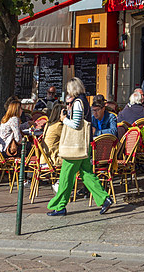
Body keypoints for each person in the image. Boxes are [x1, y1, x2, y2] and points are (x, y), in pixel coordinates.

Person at [47, 78, 111, 217]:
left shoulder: (77, 103)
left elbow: (76, 124)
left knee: (66, 176)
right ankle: (104, 198)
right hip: (83, 144)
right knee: (87, 174)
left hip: (74, 146)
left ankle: (60, 206)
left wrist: (64, 120)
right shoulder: (84, 101)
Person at [42, 102, 63, 166]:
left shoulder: (48, 124)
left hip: (44, 158)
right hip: (53, 159)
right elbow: (69, 138)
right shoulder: (58, 126)